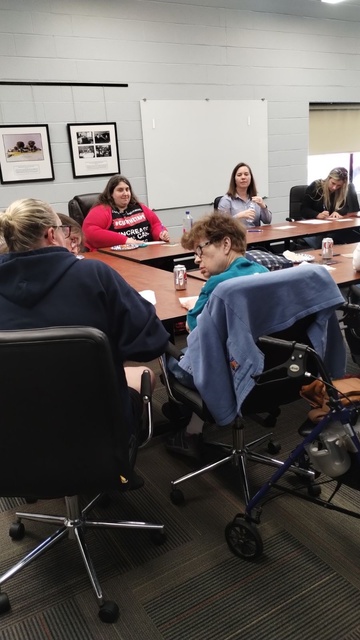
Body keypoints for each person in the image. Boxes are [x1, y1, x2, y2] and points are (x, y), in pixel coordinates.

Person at [0, 199, 170, 458]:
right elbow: (151, 342)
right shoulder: (95, 274)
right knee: (142, 372)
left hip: (15, 434)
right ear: (51, 235)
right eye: (62, 230)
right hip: (98, 427)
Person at [164, 212, 269, 456]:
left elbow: (193, 330)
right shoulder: (263, 272)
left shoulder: (217, 284)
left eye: (200, 249)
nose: (197, 258)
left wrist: (198, 303)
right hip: (264, 365)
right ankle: (193, 419)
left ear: (225, 244)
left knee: (173, 360)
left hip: (227, 368)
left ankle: (190, 429)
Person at [82, 174, 170, 250]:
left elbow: (156, 224)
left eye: (127, 190)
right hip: (119, 258)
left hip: (147, 251)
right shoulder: (102, 210)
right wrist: (126, 241)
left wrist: (160, 234)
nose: (125, 193)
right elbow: (90, 232)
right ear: (111, 194)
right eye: (120, 190)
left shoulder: (140, 207)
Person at [299, 167, 358, 248]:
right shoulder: (316, 187)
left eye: (338, 185)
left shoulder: (341, 190)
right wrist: (317, 214)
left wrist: (338, 212)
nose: (334, 188)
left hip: (331, 226)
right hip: (313, 226)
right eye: (333, 183)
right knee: (323, 242)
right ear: (328, 178)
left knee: (352, 236)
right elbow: (304, 209)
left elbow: (345, 207)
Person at [217, 162, 272, 227]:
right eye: (239, 175)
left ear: (250, 178)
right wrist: (239, 216)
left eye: (246, 174)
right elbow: (221, 225)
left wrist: (263, 206)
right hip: (236, 235)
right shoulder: (226, 200)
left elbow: (268, 221)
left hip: (255, 235)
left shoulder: (255, 199)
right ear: (234, 179)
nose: (243, 177)